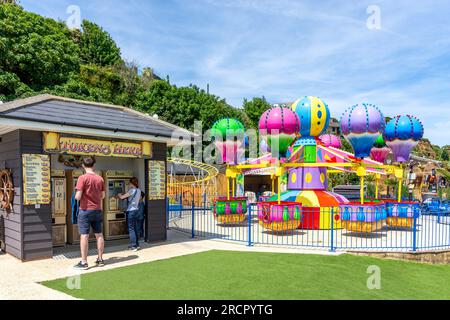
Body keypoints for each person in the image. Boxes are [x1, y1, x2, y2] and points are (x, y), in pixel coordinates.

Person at [73, 157, 105, 270]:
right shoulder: (100, 179)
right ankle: (100, 259)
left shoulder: (82, 178)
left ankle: (84, 262)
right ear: (93, 165)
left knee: (84, 236)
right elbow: (103, 196)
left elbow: (77, 197)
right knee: (99, 234)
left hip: (85, 210)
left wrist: (76, 194)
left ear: (83, 165)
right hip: (97, 210)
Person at [117, 178, 141, 251]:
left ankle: (133, 246)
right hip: (136, 210)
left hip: (131, 211)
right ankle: (136, 245)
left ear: (131, 183)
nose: (129, 184)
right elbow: (139, 199)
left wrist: (119, 194)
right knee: (134, 228)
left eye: (129, 183)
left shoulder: (131, 190)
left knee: (131, 228)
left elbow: (122, 197)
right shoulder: (139, 190)